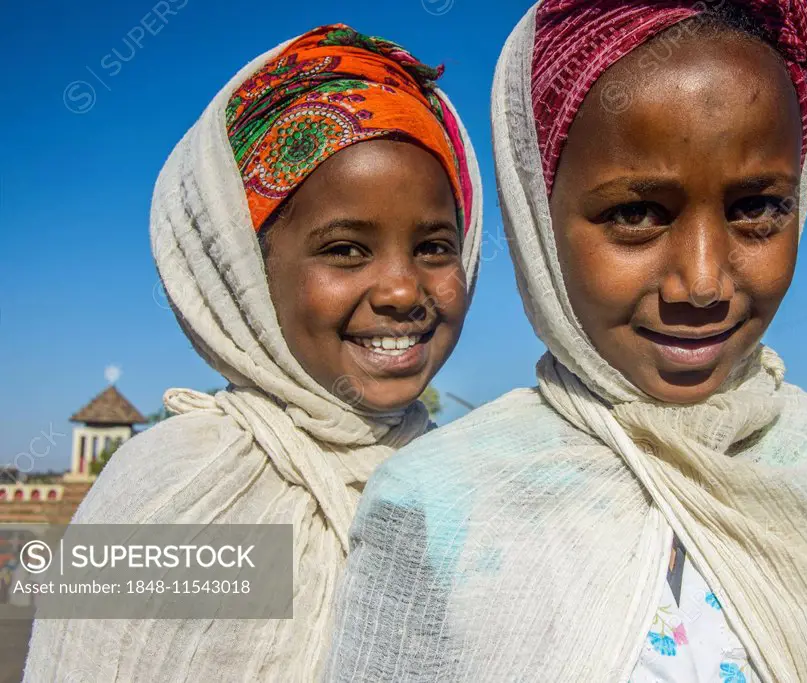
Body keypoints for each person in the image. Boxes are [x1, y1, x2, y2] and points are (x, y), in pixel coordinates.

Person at [326, 1, 807, 682]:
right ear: (537, 215)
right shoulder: (438, 504)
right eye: (635, 213)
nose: (704, 281)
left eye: (757, 208)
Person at [23, 23, 482, 681]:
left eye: (434, 246)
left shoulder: (467, 490)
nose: (404, 289)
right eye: (345, 249)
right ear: (245, 272)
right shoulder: (176, 493)